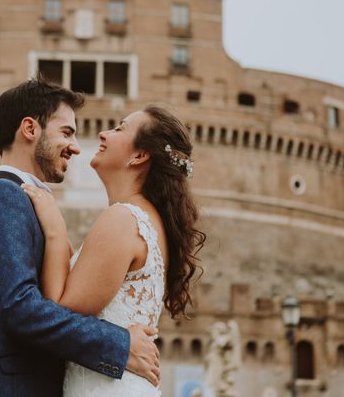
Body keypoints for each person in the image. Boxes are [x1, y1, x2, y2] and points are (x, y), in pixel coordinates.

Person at [0, 77, 161, 397]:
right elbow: (19, 308)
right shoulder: (1, 197)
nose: (76, 147)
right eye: (66, 132)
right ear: (29, 129)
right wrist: (119, 344)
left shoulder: (31, 204)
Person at [22, 105, 206, 396]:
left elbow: (58, 314)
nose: (103, 133)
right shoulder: (145, 220)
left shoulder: (123, 218)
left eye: (119, 128)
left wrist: (56, 229)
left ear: (139, 156)